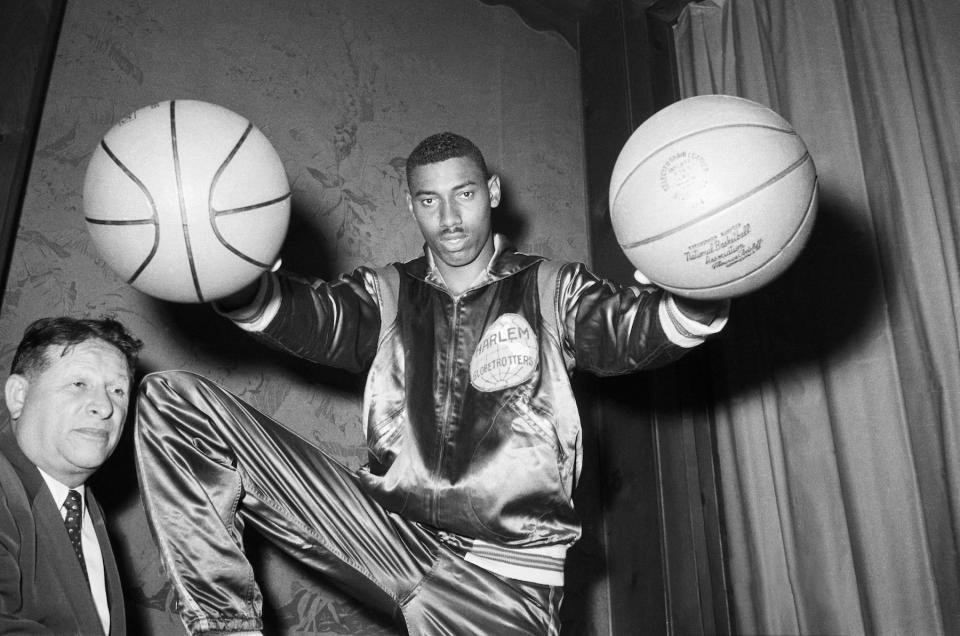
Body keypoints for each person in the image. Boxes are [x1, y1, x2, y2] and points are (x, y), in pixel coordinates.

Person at [134, 132, 728, 635]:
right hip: (389, 537)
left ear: (491, 193)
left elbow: (628, 329)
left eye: (464, 194)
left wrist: (697, 289)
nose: (449, 218)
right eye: (429, 200)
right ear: (411, 206)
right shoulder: (388, 293)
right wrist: (227, 271)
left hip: (505, 581)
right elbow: (315, 319)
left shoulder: (551, 288)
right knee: (173, 402)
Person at [0, 315, 142, 635]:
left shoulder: (82, 506)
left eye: (118, 390)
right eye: (79, 384)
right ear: (18, 397)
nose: (104, 407)